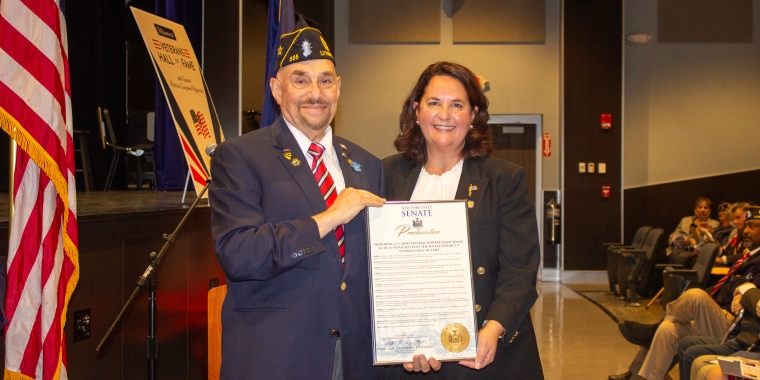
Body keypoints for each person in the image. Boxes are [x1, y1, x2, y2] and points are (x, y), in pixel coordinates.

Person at [209, 27, 386, 380]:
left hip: (354, 357)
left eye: (324, 81)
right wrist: (329, 217)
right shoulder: (240, 156)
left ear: (339, 87)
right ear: (277, 89)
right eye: (300, 80)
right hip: (276, 357)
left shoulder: (367, 164)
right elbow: (240, 253)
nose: (315, 94)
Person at [382, 61, 543, 379]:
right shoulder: (384, 176)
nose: (444, 115)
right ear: (416, 111)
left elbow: (520, 271)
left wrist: (493, 328)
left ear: (473, 116)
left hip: (484, 356)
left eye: (457, 105)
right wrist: (396, 339)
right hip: (407, 355)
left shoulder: (504, 179)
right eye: (433, 103)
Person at [609, 206, 760, 380]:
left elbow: (750, 293)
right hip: (719, 316)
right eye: (746, 225)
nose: (746, 230)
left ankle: (652, 331)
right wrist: (738, 285)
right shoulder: (747, 256)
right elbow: (735, 283)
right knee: (668, 330)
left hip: (736, 326)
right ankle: (637, 377)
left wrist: (740, 287)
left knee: (695, 296)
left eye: (753, 226)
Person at [668, 197, 721, 266]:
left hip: (695, 252)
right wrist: (677, 240)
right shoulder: (685, 220)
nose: (702, 210)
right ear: (695, 210)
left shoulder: (714, 224)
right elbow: (673, 235)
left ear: (710, 211)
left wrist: (690, 242)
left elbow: (709, 242)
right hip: (678, 248)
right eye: (700, 207)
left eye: (706, 208)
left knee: (678, 257)